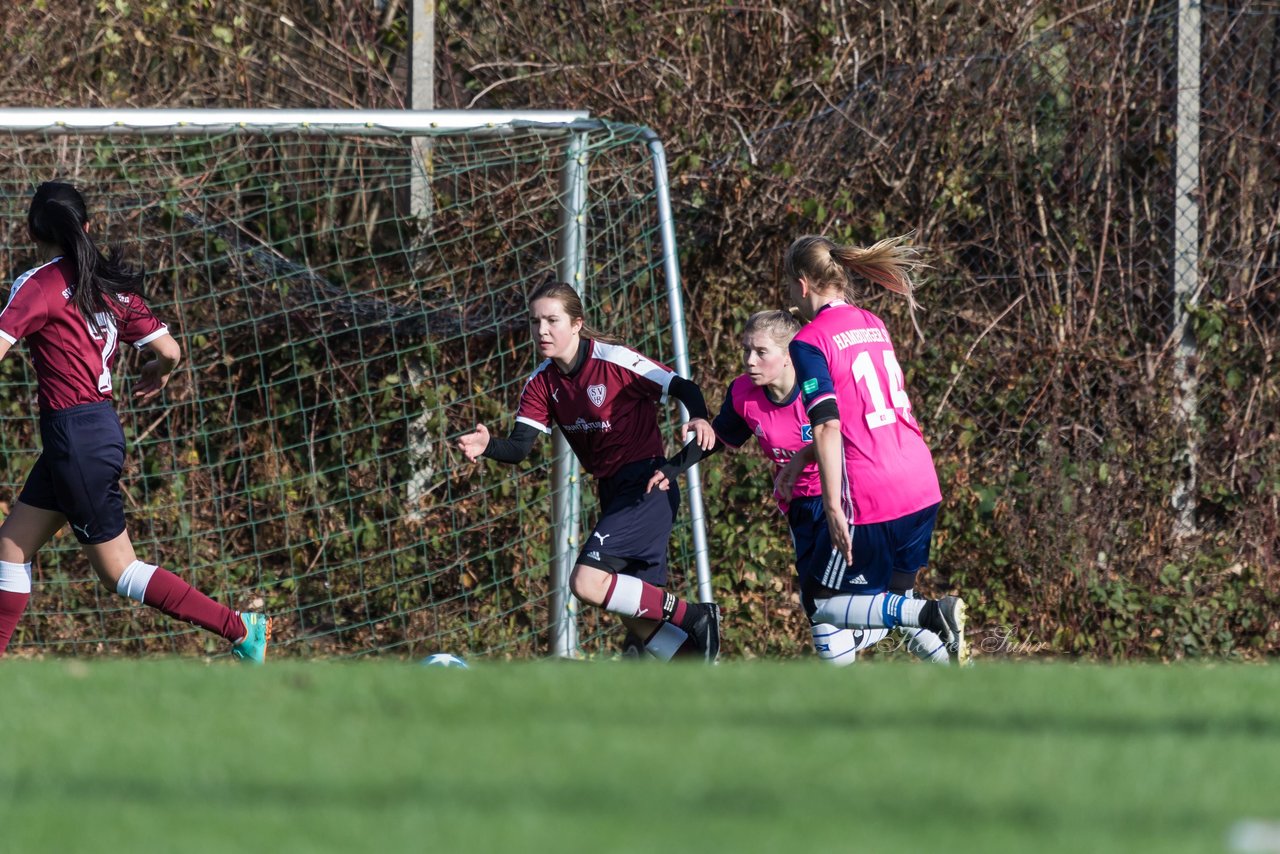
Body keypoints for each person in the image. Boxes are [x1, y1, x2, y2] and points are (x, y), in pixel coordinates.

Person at [0, 181, 270, 662]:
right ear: (86, 227)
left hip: (74, 439)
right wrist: (158, 372)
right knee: (10, 549)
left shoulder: (37, 284)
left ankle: (239, 629)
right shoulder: (107, 283)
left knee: (119, 571)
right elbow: (169, 350)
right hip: (96, 429)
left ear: (32, 232)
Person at [650, 309, 949, 665]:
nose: (749, 360)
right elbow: (720, 438)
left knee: (824, 609)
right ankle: (937, 645)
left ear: (791, 354)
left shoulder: (822, 389)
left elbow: (845, 433)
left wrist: (811, 464)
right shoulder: (744, 394)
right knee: (841, 610)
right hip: (799, 511)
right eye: (745, 350)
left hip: (844, 501)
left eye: (761, 352)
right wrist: (672, 467)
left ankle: (903, 639)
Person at [456, 280, 721, 662]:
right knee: (636, 617)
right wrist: (488, 446)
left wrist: (698, 417)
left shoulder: (615, 361)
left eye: (552, 320)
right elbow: (518, 448)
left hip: (647, 485)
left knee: (586, 582)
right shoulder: (541, 383)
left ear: (577, 323)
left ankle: (697, 615)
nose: (542, 331)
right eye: (535, 322)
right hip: (613, 491)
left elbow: (683, 386)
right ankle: (691, 665)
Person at [783, 234, 968, 664]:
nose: (790, 295)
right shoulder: (872, 322)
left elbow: (828, 423)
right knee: (896, 600)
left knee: (821, 603)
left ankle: (933, 613)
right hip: (921, 481)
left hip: (873, 495)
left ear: (804, 284)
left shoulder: (809, 340)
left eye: (790, 286)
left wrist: (832, 506)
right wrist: (804, 456)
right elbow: (865, 412)